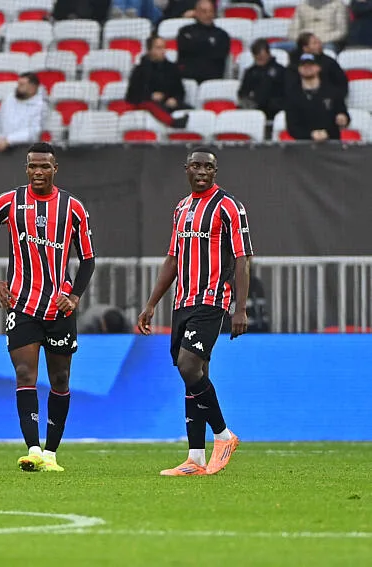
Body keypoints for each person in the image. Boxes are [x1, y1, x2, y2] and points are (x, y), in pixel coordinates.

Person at [0, 142, 96, 473]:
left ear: (55, 169)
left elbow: (88, 260)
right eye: (32, 166)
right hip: (22, 305)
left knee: (61, 377)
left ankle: (52, 453)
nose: (38, 172)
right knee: (25, 373)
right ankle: (33, 449)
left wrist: (75, 296)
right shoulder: (8, 201)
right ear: (26, 169)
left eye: (44, 166)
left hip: (59, 308)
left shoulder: (73, 208)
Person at [137, 147, 253, 477]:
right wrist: (151, 303)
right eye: (196, 165)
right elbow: (173, 258)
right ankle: (195, 458)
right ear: (186, 169)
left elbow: (244, 258)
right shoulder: (182, 209)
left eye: (208, 166)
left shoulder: (229, 206)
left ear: (215, 172)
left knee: (190, 366)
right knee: (193, 375)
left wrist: (239, 308)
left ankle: (224, 436)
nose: (202, 171)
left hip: (213, 298)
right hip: (182, 302)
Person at [125, 35, 190, 127]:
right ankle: (172, 122)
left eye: (164, 47)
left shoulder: (172, 68)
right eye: (159, 48)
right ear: (150, 50)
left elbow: (180, 91)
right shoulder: (139, 70)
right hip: (148, 103)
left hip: (168, 103)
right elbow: (131, 95)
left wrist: (174, 99)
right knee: (148, 104)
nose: (163, 51)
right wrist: (151, 96)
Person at [285, 53, 350, 141]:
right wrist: (311, 134)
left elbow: (343, 113)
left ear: (318, 68)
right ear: (299, 69)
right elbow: (292, 127)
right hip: (303, 147)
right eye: (304, 65)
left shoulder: (332, 92)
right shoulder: (293, 95)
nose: (307, 68)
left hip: (331, 145)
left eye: (311, 65)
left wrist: (343, 118)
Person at [0, 72, 46, 153]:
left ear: (33, 87)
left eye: (22, 85)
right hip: (1, 148)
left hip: (26, 150)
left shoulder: (41, 105)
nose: (18, 87)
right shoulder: (9, 99)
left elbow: (33, 133)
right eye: (18, 84)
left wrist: (9, 140)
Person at [177, 0, 231, 84]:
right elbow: (184, 51)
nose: (208, 15)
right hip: (187, 79)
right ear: (196, 13)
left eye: (211, 11)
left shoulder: (222, 35)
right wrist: (208, 44)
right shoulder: (185, 31)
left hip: (212, 81)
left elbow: (218, 56)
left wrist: (195, 43)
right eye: (204, 11)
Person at [287, 32, 349, 101]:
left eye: (319, 42)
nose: (319, 45)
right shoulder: (294, 65)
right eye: (315, 43)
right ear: (305, 48)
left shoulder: (329, 62)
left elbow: (341, 85)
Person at [237, 39, 286, 119]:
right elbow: (243, 93)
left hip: (276, 109)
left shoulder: (281, 71)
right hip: (255, 110)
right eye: (257, 58)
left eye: (262, 57)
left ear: (268, 54)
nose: (260, 60)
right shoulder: (250, 72)